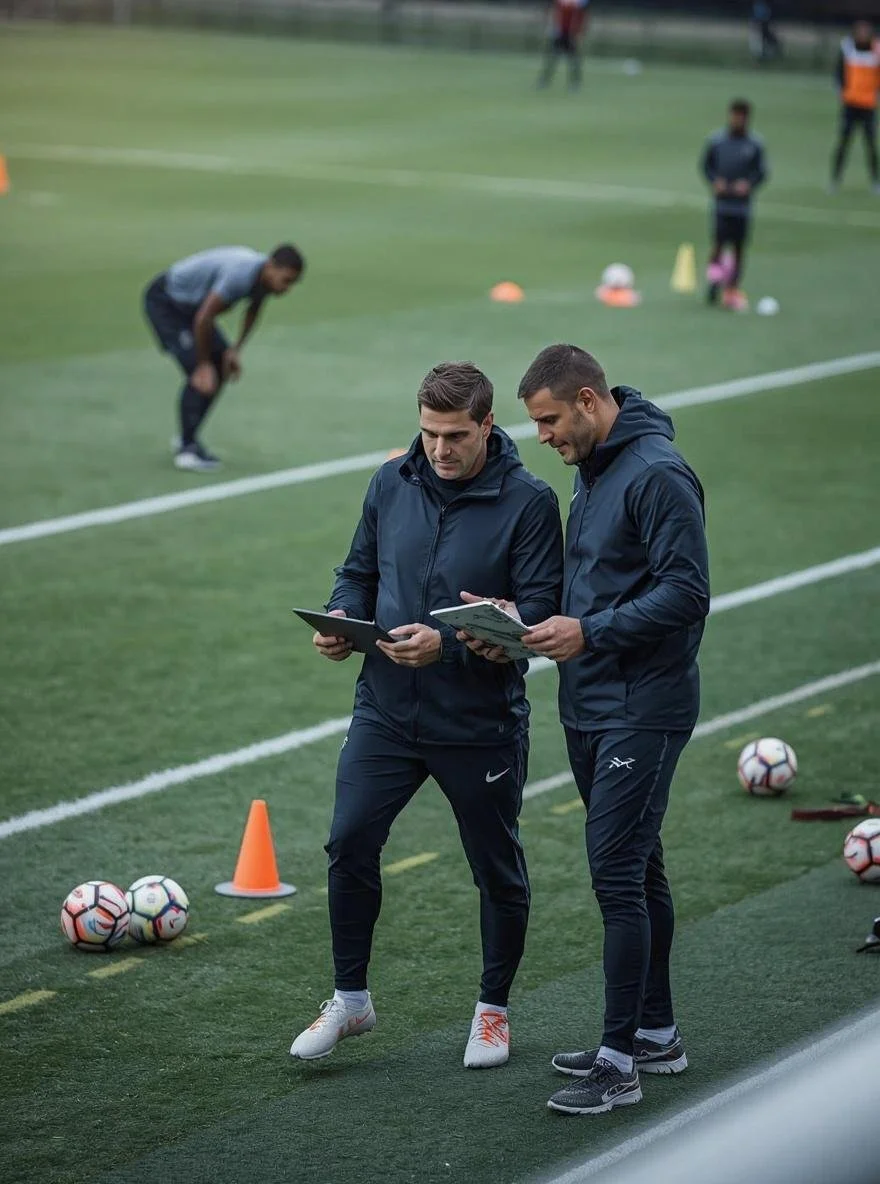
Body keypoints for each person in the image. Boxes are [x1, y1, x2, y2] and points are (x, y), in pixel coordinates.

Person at [289, 362, 563, 1070]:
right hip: (384, 710)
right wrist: (343, 617)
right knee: (348, 842)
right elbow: (358, 570)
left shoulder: (530, 503)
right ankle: (351, 1000)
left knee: (495, 867)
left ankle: (493, 1011)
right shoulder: (390, 482)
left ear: (487, 427)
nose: (439, 450)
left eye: (455, 436)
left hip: (478, 725)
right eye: (429, 433)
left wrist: (447, 647)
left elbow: (534, 620)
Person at [512, 344, 709, 1115]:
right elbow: (593, 582)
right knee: (641, 867)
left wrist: (591, 633)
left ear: (589, 401)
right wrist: (518, 619)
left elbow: (687, 593)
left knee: (618, 877)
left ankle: (617, 1060)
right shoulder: (593, 472)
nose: (544, 437)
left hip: (644, 705)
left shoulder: (656, 473)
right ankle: (656, 1033)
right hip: (591, 702)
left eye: (550, 420)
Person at [143, 244, 304, 471]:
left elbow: (253, 310)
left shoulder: (263, 279)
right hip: (167, 303)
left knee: (221, 368)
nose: (287, 288)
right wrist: (202, 364)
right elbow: (203, 318)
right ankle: (186, 450)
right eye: (286, 280)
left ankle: (187, 437)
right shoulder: (240, 274)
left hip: (193, 310)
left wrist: (234, 350)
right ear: (271, 266)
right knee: (199, 374)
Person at [700, 99, 768, 311]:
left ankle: (732, 288)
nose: (737, 119)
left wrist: (748, 185)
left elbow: (761, 172)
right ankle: (714, 283)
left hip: (742, 206)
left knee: (738, 248)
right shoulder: (717, 141)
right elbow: (706, 166)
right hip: (721, 204)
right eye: (735, 115)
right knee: (718, 245)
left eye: (741, 116)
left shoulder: (754, 144)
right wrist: (714, 181)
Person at [829, 21, 880, 195]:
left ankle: (875, 181)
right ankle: (835, 180)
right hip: (850, 104)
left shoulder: (876, 50)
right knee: (843, 143)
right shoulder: (848, 48)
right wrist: (840, 90)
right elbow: (839, 72)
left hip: (868, 105)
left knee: (871, 145)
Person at [537, 0, 590, 91]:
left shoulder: (578, 4)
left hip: (571, 34)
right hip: (560, 33)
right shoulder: (561, 3)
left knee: (573, 60)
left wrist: (579, 33)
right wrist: (552, 28)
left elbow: (582, 18)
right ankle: (544, 80)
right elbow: (555, 14)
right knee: (552, 58)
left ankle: (575, 83)